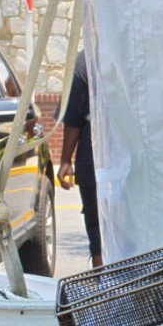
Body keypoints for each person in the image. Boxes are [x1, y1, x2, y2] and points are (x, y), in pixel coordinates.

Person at [57, 50, 102, 267]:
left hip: (94, 147)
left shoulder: (89, 57)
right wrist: (65, 159)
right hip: (126, 149)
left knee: (96, 226)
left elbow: (74, 112)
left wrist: (66, 159)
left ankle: (104, 285)